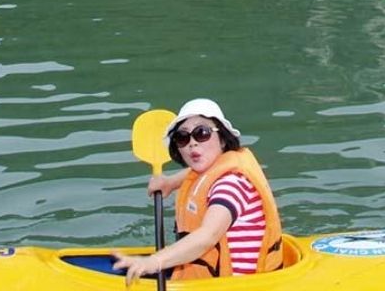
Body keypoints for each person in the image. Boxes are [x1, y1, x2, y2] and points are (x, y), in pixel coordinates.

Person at [113, 99, 283, 283]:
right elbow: (197, 173)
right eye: (182, 138)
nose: (192, 144)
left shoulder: (231, 185)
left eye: (202, 133)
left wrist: (155, 261)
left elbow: (208, 236)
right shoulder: (213, 169)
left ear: (223, 139)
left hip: (240, 286)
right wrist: (170, 182)